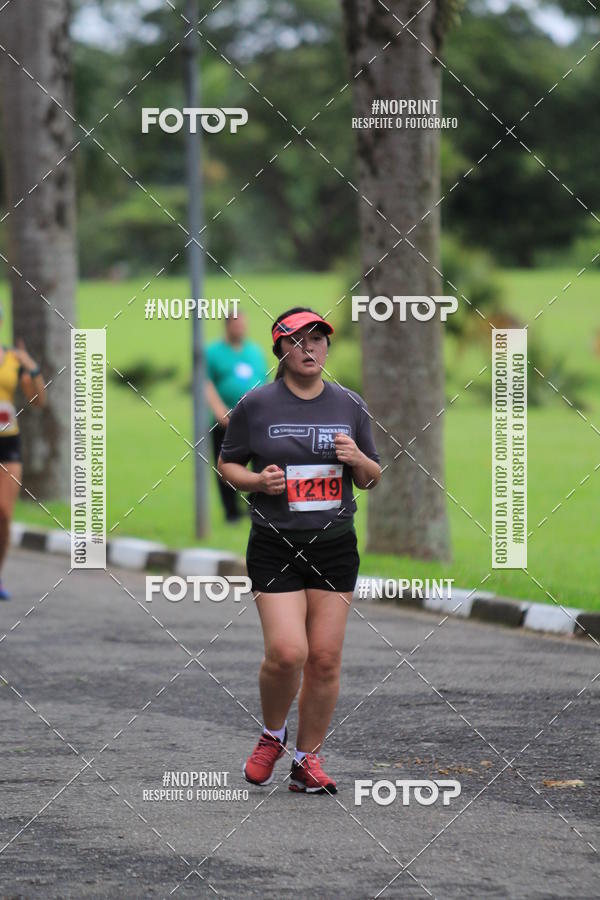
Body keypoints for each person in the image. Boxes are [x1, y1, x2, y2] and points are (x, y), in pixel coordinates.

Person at [217, 306, 381, 794]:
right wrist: (256, 480)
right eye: (298, 341)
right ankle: (272, 734)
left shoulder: (350, 404)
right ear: (281, 351)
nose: (310, 349)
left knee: (325, 659)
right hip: (275, 544)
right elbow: (229, 464)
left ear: (328, 348)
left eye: (318, 339)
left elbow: (372, 477)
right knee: (288, 653)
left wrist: (357, 460)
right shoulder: (257, 405)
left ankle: (307, 760)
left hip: (334, 547)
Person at [0, 307, 47, 600]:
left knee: (3, 515)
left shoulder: (13, 359)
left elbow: (38, 401)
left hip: (8, 442)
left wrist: (33, 367)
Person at [206, 311, 268, 522]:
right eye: (236, 323)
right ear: (227, 325)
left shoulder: (255, 351)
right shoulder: (213, 352)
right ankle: (231, 511)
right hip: (226, 420)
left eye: (243, 323)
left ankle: (255, 504)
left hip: (255, 419)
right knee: (227, 463)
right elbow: (205, 383)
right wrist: (219, 410)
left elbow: (263, 382)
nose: (240, 327)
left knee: (261, 460)